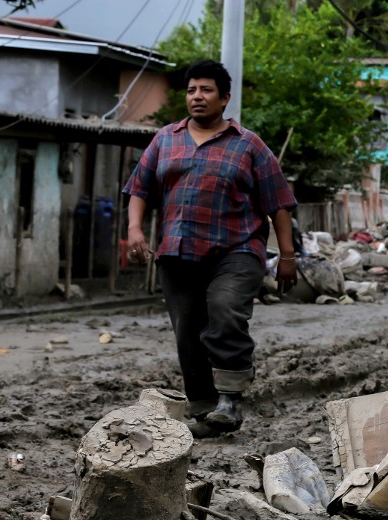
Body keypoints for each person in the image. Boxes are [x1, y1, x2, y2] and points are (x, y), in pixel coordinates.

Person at [123, 59, 297, 436]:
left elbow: (278, 204)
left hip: (236, 250)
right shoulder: (165, 139)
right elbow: (139, 189)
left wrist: (287, 256)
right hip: (178, 252)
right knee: (187, 329)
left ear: (224, 99)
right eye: (191, 90)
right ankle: (204, 409)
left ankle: (231, 399)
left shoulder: (249, 146)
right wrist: (135, 229)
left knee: (224, 311)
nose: (197, 97)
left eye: (206, 90)